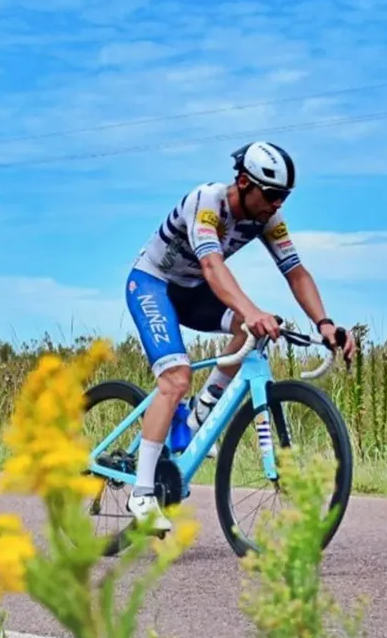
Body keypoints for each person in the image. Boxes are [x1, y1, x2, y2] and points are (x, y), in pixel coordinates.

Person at [124, 141, 356, 534]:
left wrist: (325, 324)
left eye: (284, 197)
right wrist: (253, 311)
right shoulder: (208, 202)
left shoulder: (267, 218)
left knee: (251, 330)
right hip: (154, 285)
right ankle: (142, 492)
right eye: (271, 195)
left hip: (194, 292)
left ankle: (200, 413)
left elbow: (296, 272)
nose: (277, 205)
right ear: (245, 182)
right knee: (176, 377)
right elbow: (213, 267)